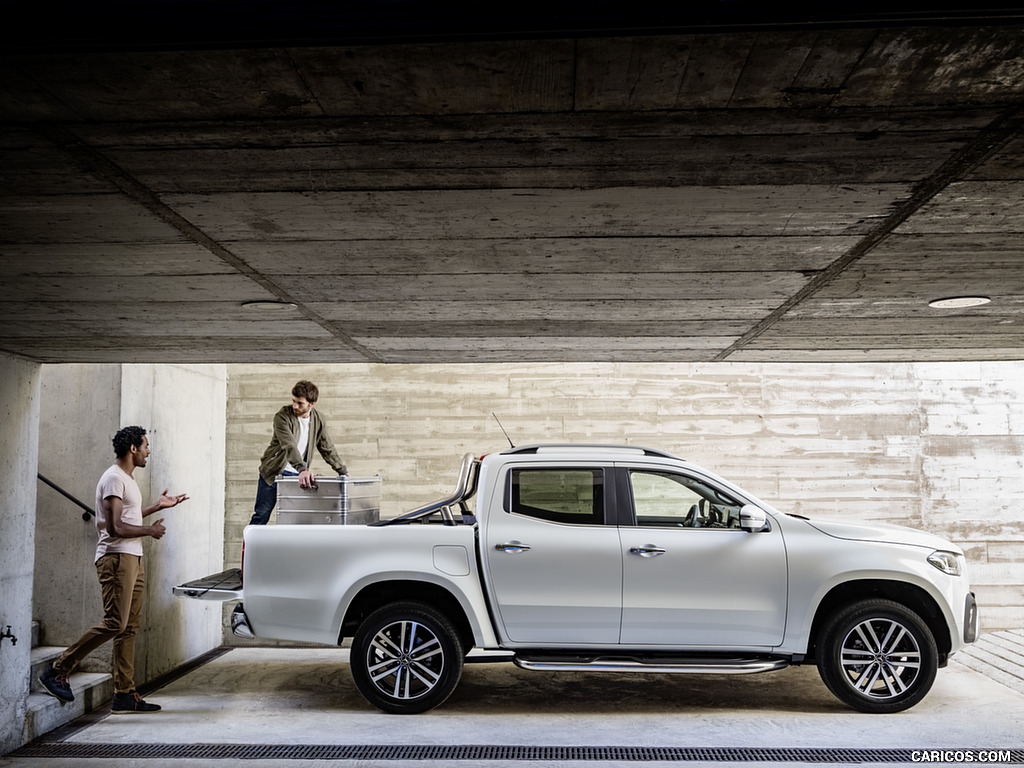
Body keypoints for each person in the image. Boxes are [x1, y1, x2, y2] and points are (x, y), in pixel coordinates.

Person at [38, 426, 189, 714]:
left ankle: (124, 693)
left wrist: (159, 505)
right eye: (145, 446)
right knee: (115, 623)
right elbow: (115, 527)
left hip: (132, 557)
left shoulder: (126, 480)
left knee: (128, 628)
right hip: (116, 558)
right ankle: (58, 669)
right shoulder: (112, 479)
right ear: (133, 448)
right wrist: (150, 531)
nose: (148, 451)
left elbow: (127, 515)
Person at [249, 380, 347, 525]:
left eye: (300, 403)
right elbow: (289, 445)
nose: (295, 406)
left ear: (311, 403)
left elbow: (326, 447)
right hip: (273, 473)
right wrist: (303, 469)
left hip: (296, 475)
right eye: (293, 401)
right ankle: (249, 548)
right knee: (261, 515)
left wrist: (342, 470)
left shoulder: (319, 419)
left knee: (295, 521)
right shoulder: (282, 416)